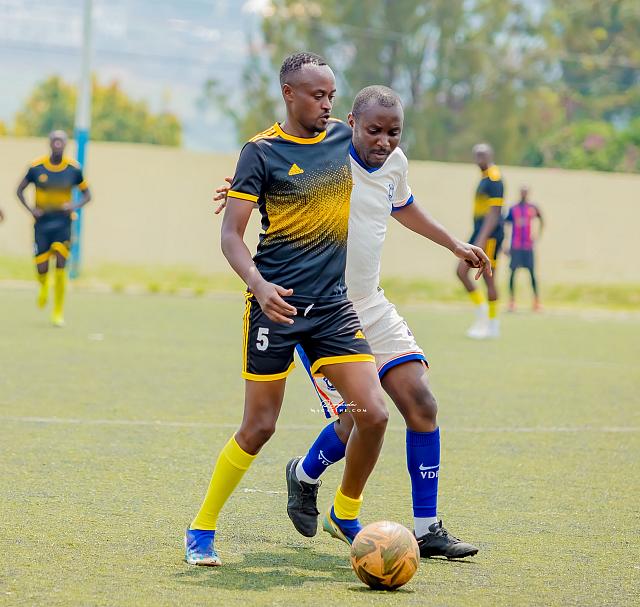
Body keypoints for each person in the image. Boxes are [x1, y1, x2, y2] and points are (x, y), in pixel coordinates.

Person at [214, 85, 489, 559]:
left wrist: (455, 244)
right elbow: (280, 172)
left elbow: (404, 206)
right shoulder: (329, 151)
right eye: (375, 131)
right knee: (361, 417)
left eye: (394, 132)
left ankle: (426, 529)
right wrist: (242, 191)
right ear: (352, 123)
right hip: (324, 310)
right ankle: (308, 479)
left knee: (421, 403)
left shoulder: (395, 163)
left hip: (371, 303)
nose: (384, 141)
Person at [185, 53, 389, 567]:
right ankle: (201, 527)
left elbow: (386, 150)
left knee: (373, 414)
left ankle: (344, 512)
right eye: (318, 96)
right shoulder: (260, 152)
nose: (327, 105)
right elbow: (230, 236)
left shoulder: (344, 139)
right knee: (259, 427)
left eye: (332, 96)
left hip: (333, 308)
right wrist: (258, 286)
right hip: (274, 307)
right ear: (289, 94)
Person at [16, 130, 92, 326]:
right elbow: (19, 190)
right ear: (49, 143)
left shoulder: (73, 169)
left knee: (60, 261)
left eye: (61, 141)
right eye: (55, 140)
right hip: (42, 224)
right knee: (41, 267)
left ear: (66, 144)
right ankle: (43, 285)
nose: (58, 144)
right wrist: (31, 210)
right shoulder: (36, 167)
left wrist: (73, 206)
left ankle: (58, 312)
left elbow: (87, 195)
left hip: (63, 223)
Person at [456, 143, 504, 339]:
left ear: (490, 156)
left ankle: (492, 325)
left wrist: (482, 240)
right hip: (478, 233)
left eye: (482, 155)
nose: (479, 159)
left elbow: (494, 213)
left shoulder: (494, 178)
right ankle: (481, 313)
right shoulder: (484, 178)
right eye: (476, 155)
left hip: (489, 235)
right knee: (461, 271)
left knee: (488, 277)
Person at [504, 185, 544, 311]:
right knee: (512, 273)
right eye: (522, 192)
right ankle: (511, 301)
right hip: (516, 246)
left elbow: (542, 220)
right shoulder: (513, 208)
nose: (523, 194)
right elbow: (506, 224)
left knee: (532, 274)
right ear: (519, 193)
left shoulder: (533, 208)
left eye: (525, 192)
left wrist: (537, 235)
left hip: (528, 246)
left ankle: (536, 302)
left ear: (528, 193)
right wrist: (505, 243)